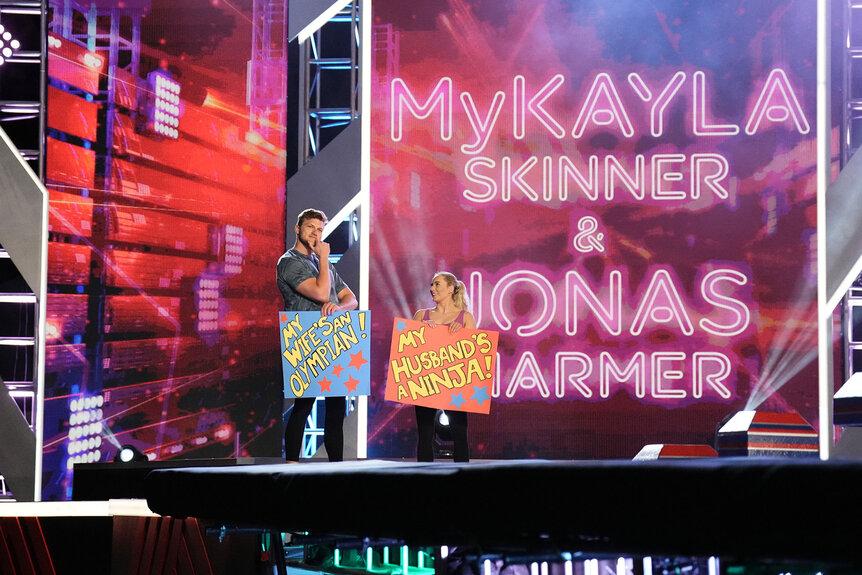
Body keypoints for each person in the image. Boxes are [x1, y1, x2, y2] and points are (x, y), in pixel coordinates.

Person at [277, 208, 358, 462]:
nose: (316, 233)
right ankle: (291, 465)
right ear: (298, 229)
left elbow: (351, 299)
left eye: (320, 229)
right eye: (311, 227)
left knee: (336, 407)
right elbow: (322, 294)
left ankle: (336, 468)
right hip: (306, 338)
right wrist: (324, 258)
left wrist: (339, 307)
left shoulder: (323, 264)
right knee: (304, 405)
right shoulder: (289, 262)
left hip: (334, 338)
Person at [412, 271, 476, 462]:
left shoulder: (465, 317)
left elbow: (473, 355)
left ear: (450, 288)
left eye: (437, 284)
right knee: (425, 435)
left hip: (455, 383)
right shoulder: (421, 315)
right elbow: (408, 350)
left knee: (459, 434)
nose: (432, 289)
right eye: (431, 285)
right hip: (426, 382)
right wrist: (422, 333)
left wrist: (461, 335)